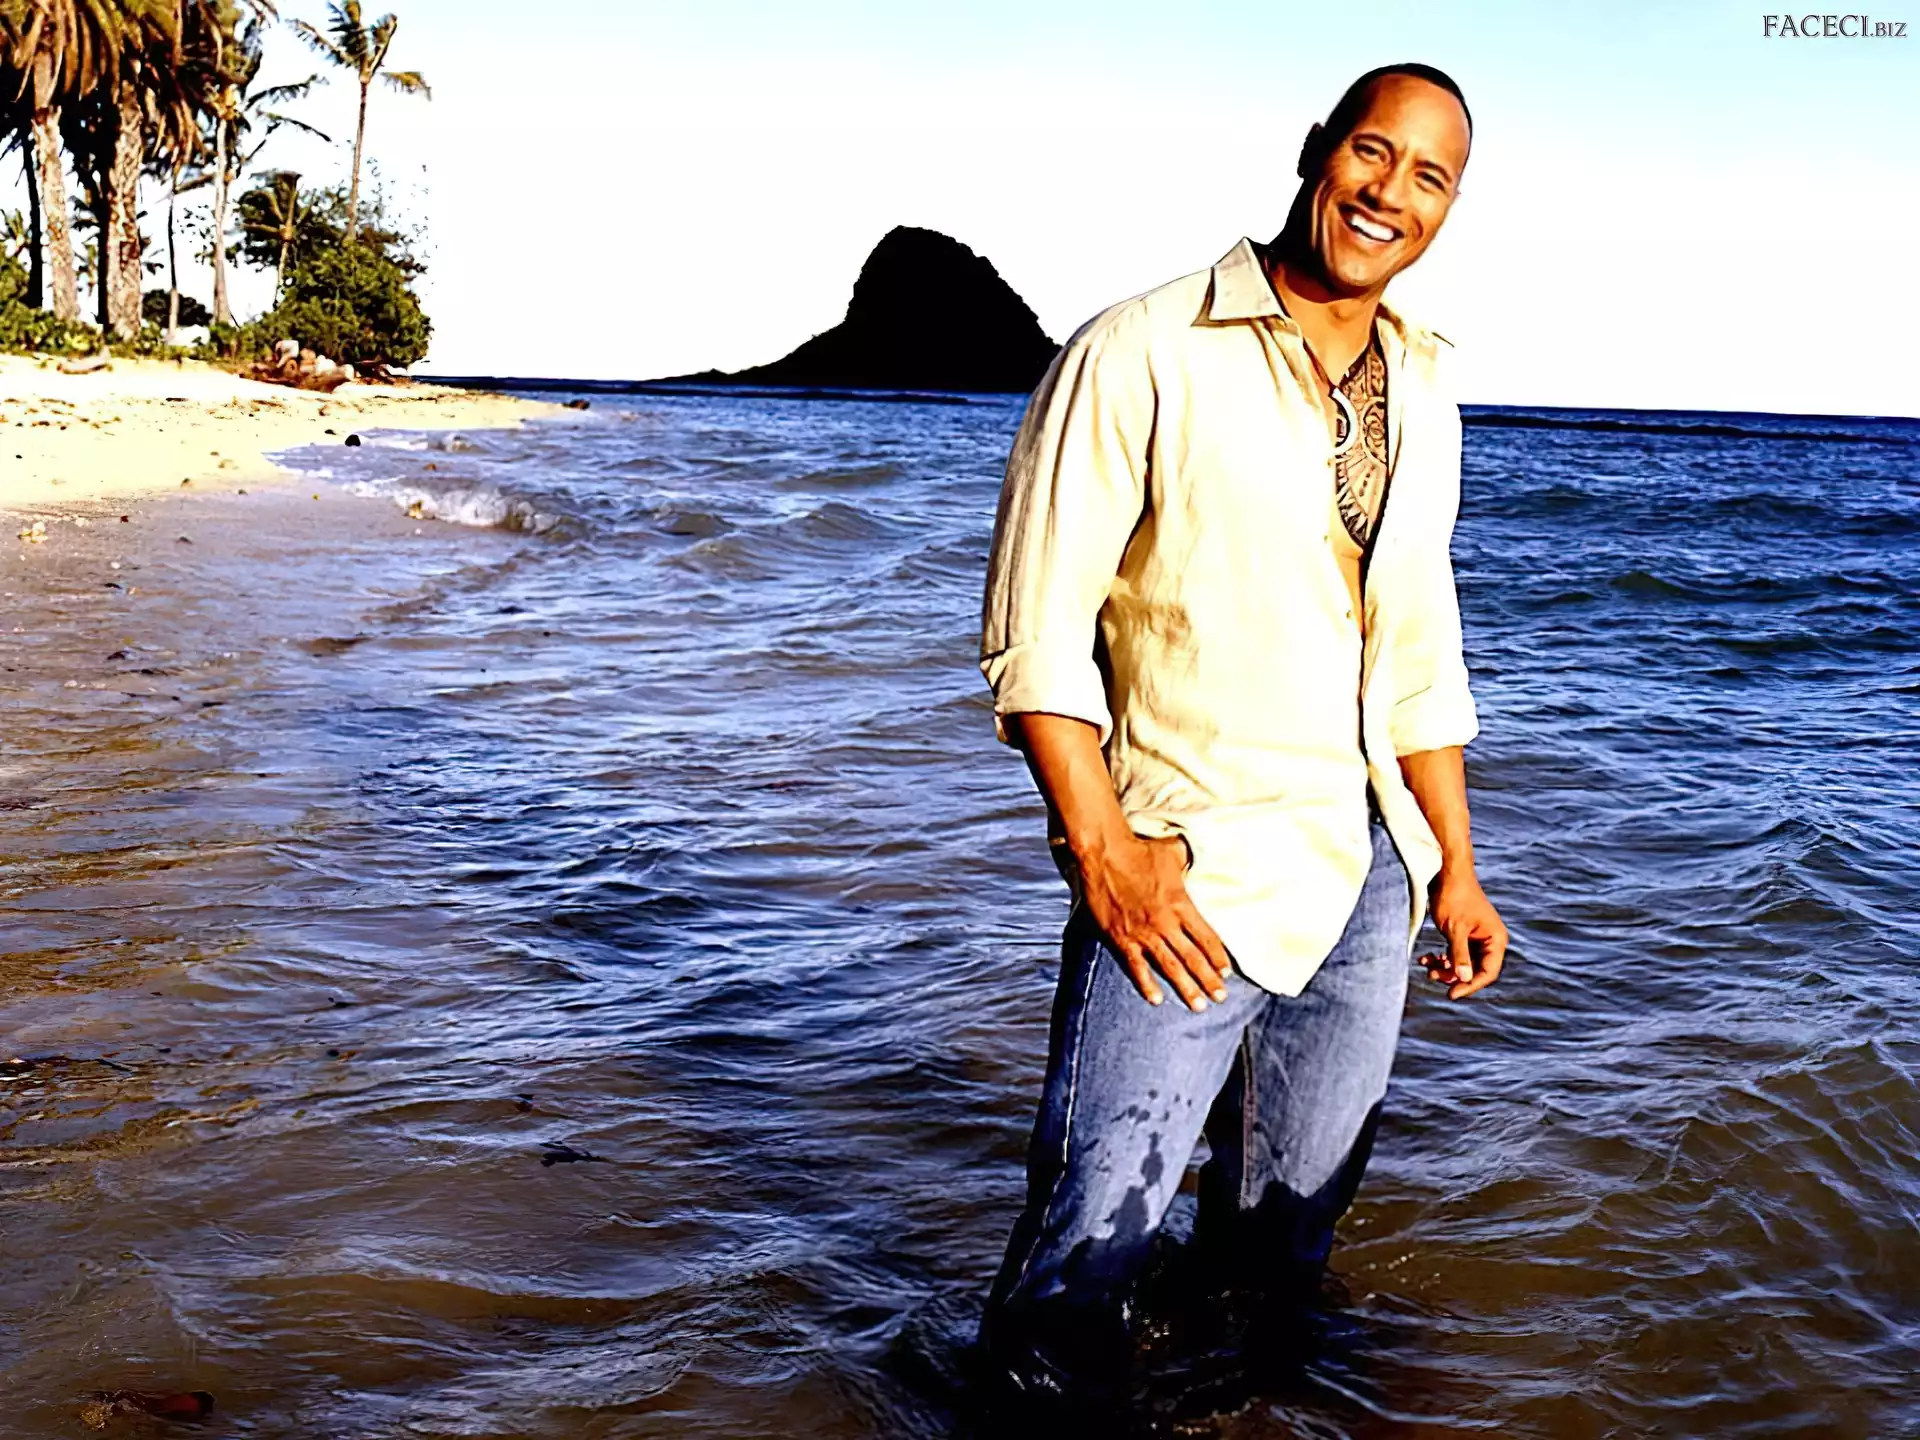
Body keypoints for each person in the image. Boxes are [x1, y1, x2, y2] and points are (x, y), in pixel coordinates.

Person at [975, 62, 1510, 1404]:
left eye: (1430, 177)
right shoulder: (1141, 349)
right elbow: (1036, 634)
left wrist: (1455, 863)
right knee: (1087, 1246)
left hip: (1371, 877)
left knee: (1283, 1247)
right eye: (1372, 152)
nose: (1390, 193)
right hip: (1186, 870)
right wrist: (1104, 855)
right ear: (1317, 148)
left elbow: (1418, 651)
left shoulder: (1425, 384)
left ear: (1450, 209)